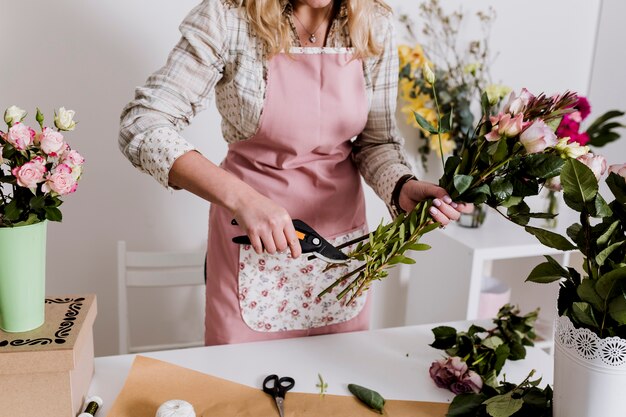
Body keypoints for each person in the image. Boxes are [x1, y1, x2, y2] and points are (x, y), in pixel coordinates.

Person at [119, 0, 470, 346]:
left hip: (340, 250)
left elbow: (376, 142)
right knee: (240, 394)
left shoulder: (373, 23)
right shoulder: (227, 18)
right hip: (250, 243)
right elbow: (142, 124)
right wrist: (243, 200)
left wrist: (401, 187)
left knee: (336, 389)